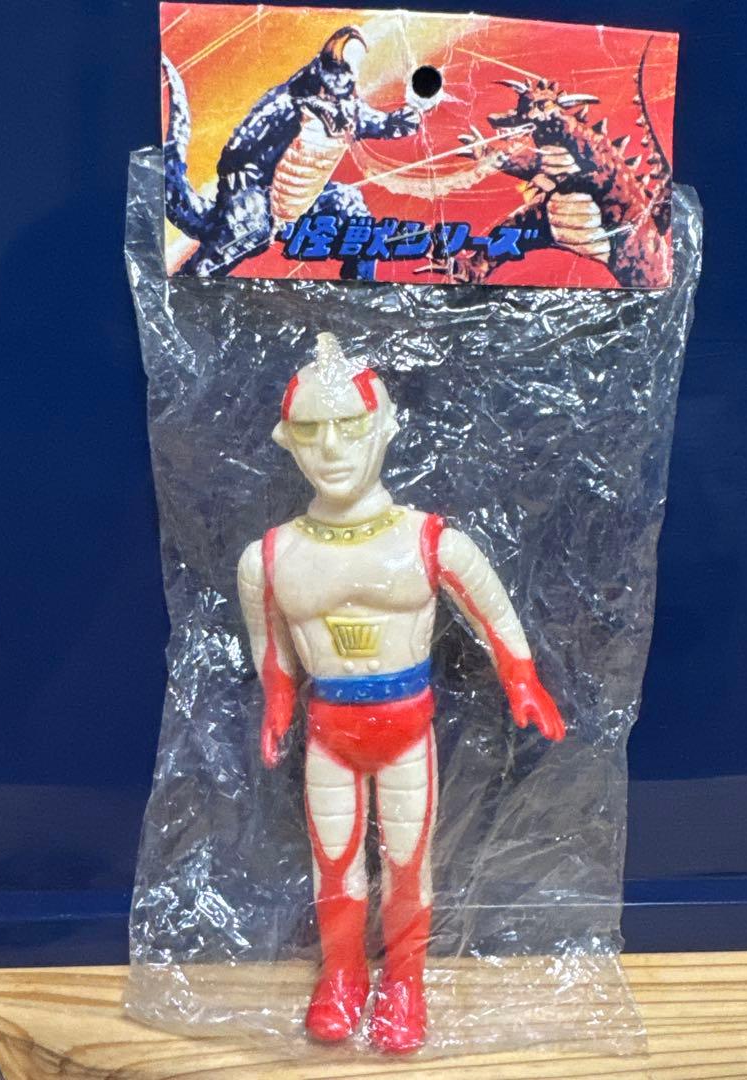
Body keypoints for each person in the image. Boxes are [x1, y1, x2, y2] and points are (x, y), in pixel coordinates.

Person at [237, 332, 564, 1052]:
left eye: (350, 425)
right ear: (286, 439)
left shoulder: (431, 541)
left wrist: (523, 679)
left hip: (406, 731)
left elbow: (495, 615)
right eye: (311, 429)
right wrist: (278, 703)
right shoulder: (269, 558)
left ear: (385, 427)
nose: (332, 447)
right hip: (330, 733)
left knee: (409, 868)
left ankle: (404, 983)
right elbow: (272, 648)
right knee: (335, 866)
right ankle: (343, 975)